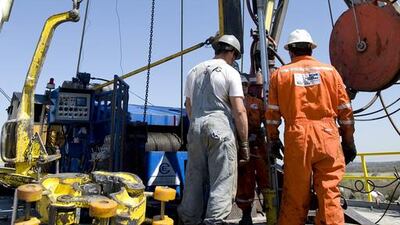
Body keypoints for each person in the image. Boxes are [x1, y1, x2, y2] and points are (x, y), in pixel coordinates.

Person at [265, 29, 357, 225]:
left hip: (298, 139)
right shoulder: (330, 72)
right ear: (311, 49)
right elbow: (345, 110)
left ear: (290, 50)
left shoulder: (280, 75)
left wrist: (273, 140)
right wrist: (348, 141)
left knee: (295, 195)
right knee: (329, 193)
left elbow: (272, 115)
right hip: (328, 136)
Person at [178, 34, 249, 225]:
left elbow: (188, 105)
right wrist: (244, 142)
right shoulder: (230, 72)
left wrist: (197, 127)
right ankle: (214, 222)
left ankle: (189, 220)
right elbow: (239, 111)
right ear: (232, 52)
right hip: (220, 127)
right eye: (235, 56)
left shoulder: (193, 71)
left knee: (194, 179)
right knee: (222, 181)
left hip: (196, 126)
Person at [236, 74, 269, 225]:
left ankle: (271, 210)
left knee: (266, 177)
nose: (243, 87)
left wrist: (271, 139)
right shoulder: (232, 103)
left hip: (259, 145)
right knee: (244, 180)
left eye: (245, 84)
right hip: (242, 147)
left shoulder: (257, 102)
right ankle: (246, 214)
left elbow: (268, 120)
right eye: (240, 84)